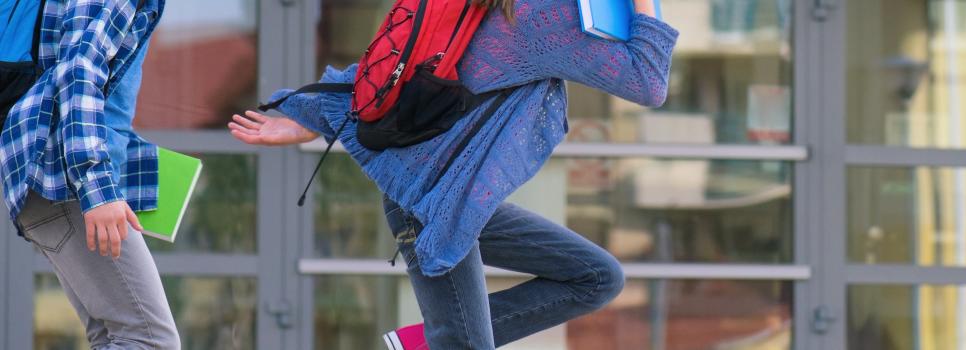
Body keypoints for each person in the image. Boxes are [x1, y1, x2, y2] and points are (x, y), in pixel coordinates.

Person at [229, 0, 677, 346]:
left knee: (596, 277)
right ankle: (445, 338)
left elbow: (391, 69)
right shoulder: (544, 19)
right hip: (432, 203)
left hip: (455, 200)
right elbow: (648, 81)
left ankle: (432, 339)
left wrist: (306, 116)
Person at [0, 0, 180, 348]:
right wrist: (97, 186)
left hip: (51, 174)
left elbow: (108, 93)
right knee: (149, 339)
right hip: (63, 178)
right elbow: (80, 69)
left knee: (114, 335)